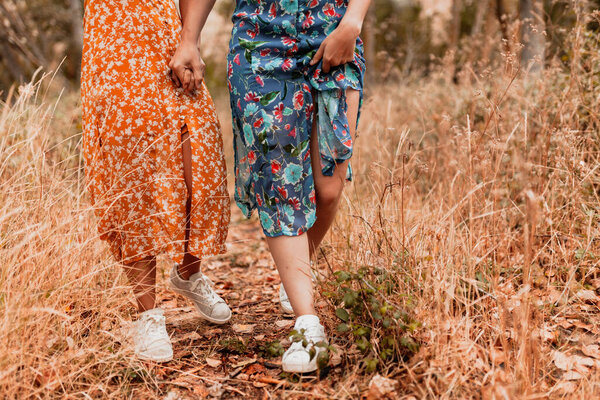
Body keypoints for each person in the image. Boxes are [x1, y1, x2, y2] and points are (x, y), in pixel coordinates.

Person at [225, 0, 371, 373]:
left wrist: (353, 21)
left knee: (329, 188)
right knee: (280, 186)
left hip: (333, 32)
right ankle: (307, 328)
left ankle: (297, 271)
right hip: (259, 42)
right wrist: (189, 40)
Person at [81, 0, 231, 363]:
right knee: (131, 175)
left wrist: (190, 40)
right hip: (113, 45)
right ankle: (147, 314)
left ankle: (188, 273)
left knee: (201, 161)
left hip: (168, 37)